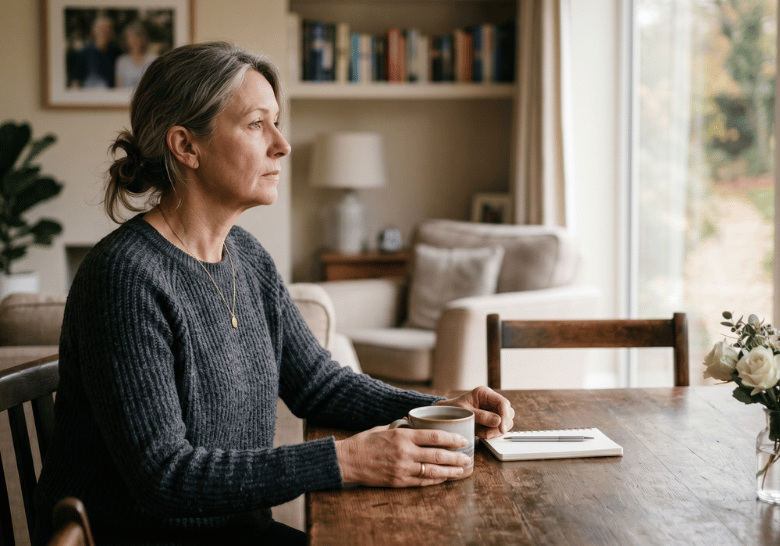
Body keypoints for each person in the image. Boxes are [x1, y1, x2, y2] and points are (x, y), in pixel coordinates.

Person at [33, 42, 514, 546]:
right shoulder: (124, 278)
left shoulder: (245, 254)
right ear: (186, 147)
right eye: (256, 124)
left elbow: (318, 384)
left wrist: (440, 406)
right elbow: (165, 475)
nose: (282, 145)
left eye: (277, 123)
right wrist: (345, 460)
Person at [70, 15, 122, 88]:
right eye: (101, 29)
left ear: (112, 32)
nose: (105, 32)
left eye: (108, 29)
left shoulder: (118, 54)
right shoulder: (83, 53)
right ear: (94, 30)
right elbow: (76, 82)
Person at [115, 20, 157, 89]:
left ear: (143, 38)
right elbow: (119, 88)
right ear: (126, 40)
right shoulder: (121, 61)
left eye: (137, 36)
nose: (134, 40)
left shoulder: (153, 59)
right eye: (130, 37)